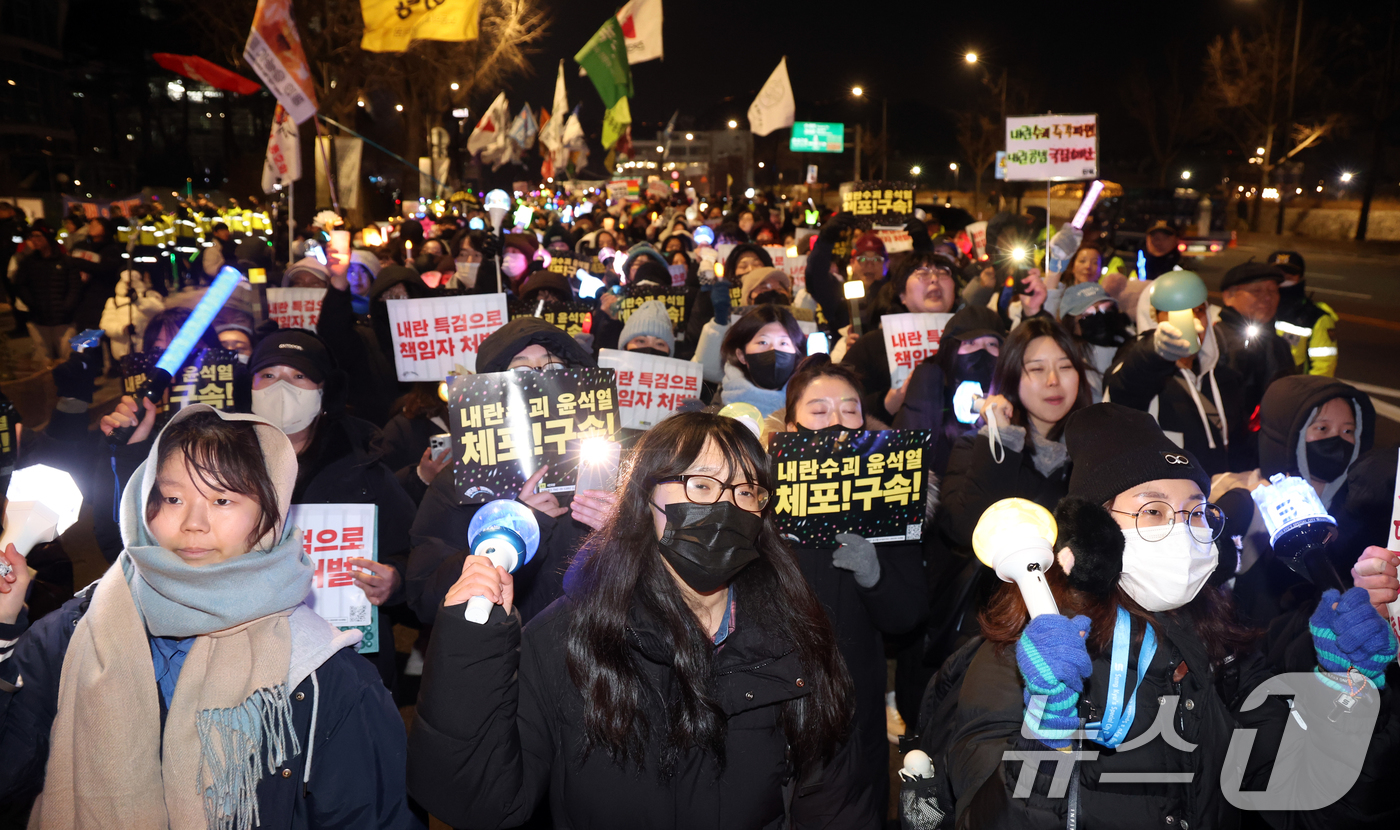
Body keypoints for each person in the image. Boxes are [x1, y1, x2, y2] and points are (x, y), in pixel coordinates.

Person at [909, 402, 1399, 828]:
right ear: (1091, 540)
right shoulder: (1015, 661)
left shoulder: (1222, 655)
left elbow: (1313, 805)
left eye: (1195, 511)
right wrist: (1045, 734)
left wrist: (1350, 692)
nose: (1183, 531)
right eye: (1153, 512)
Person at [406, 412, 876, 828]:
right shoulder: (570, 637)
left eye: (747, 490)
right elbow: (482, 802)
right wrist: (470, 647)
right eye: (702, 485)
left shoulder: (795, 635)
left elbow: (833, 802)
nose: (726, 506)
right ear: (645, 496)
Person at [0, 405, 420, 828]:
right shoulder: (68, 635)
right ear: (146, 504)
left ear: (270, 510)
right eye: (173, 498)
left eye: (222, 499)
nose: (193, 523)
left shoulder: (327, 676)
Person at [908, 316, 1091, 724]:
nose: (1053, 381)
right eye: (1036, 368)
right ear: (1011, 375)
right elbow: (962, 527)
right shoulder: (977, 444)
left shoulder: (1095, 451)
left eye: (1065, 366)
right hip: (990, 630)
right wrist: (1003, 440)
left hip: (1078, 628)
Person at [780, 358, 929, 814]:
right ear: (790, 427)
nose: (837, 422)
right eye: (819, 411)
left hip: (853, 707)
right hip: (776, 698)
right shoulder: (760, 500)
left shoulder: (889, 501)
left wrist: (875, 573)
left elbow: (908, 616)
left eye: (849, 410)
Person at [406, 317, 596, 626]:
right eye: (520, 371)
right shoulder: (460, 481)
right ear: (492, 388)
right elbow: (426, 598)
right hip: (509, 657)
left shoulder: (607, 468)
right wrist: (511, 528)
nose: (539, 380)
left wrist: (624, 529)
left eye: (554, 370)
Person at [1212, 375, 1377, 626]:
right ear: (1289, 436)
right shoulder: (1248, 502)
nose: (1338, 440)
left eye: (1348, 431)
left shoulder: (1356, 515)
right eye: (1322, 428)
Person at [1105, 270, 1248, 474]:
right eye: (1177, 313)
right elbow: (1125, 390)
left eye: (1198, 310)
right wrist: (1154, 352)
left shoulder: (1224, 378)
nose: (1193, 322)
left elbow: (1238, 447)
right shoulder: (1139, 367)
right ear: (1155, 318)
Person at [843, 252, 962, 426]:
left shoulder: (977, 338)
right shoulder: (871, 345)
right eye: (922, 273)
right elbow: (841, 404)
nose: (934, 278)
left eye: (943, 272)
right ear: (902, 295)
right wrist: (888, 403)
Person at [1214, 261, 1298, 430]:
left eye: (1273, 291)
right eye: (1256, 290)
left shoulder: (1279, 345)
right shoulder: (1214, 340)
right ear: (1228, 296)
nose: (1267, 298)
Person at [715, 304, 805, 419]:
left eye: (783, 343)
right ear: (741, 355)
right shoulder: (718, 411)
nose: (773, 350)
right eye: (763, 342)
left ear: (797, 353)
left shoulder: (811, 404)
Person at [11, 223, 82, 365]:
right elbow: (20, 285)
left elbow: (75, 287)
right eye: (31, 236)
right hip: (39, 318)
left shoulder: (65, 261)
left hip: (63, 319)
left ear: (48, 238)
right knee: (43, 359)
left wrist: (66, 307)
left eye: (38, 236)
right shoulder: (28, 262)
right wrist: (32, 304)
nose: (33, 240)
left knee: (67, 357)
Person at [1059, 281, 1133, 402]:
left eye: (1105, 309)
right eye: (1088, 314)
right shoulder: (1069, 363)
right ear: (1071, 324)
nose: (1100, 317)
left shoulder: (1131, 344)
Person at [1269, 250, 1339, 377]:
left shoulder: (1315, 317)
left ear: (1300, 277)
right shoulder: (1257, 307)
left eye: (1290, 274)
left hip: (1291, 390)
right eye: (1278, 273)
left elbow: (1324, 367)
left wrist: (1306, 394)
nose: (1284, 277)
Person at [67, 216, 124, 333]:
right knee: (81, 334)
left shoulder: (112, 249)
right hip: (80, 299)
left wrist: (78, 262)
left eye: (96, 224)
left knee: (96, 334)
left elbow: (105, 268)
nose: (91, 226)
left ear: (105, 229)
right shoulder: (80, 246)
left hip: (100, 299)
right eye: (90, 224)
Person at [101, 269, 166, 361]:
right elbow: (105, 324)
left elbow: (160, 310)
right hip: (123, 352)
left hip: (146, 349)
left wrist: (139, 301)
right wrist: (122, 329)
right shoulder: (113, 302)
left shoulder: (148, 296)